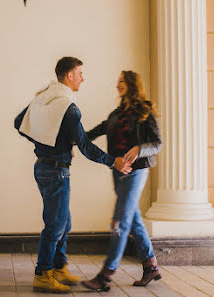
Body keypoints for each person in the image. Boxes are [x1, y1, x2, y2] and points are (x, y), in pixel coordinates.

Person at [14, 57, 132, 293]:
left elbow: (19, 122)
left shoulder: (44, 98)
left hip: (43, 167)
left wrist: (45, 141)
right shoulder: (68, 107)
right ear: (69, 76)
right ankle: (43, 274)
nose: (82, 78)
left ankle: (59, 268)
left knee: (64, 223)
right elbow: (85, 146)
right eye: (80, 73)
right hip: (56, 171)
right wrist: (113, 162)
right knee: (55, 225)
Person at [81, 70, 162, 291]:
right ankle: (151, 265)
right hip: (118, 173)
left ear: (133, 85)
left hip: (136, 172)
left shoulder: (144, 110)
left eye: (123, 81)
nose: (118, 84)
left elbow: (157, 143)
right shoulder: (116, 114)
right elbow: (93, 133)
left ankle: (106, 275)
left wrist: (139, 148)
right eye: (118, 81)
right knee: (132, 219)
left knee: (120, 222)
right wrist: (73, 136)